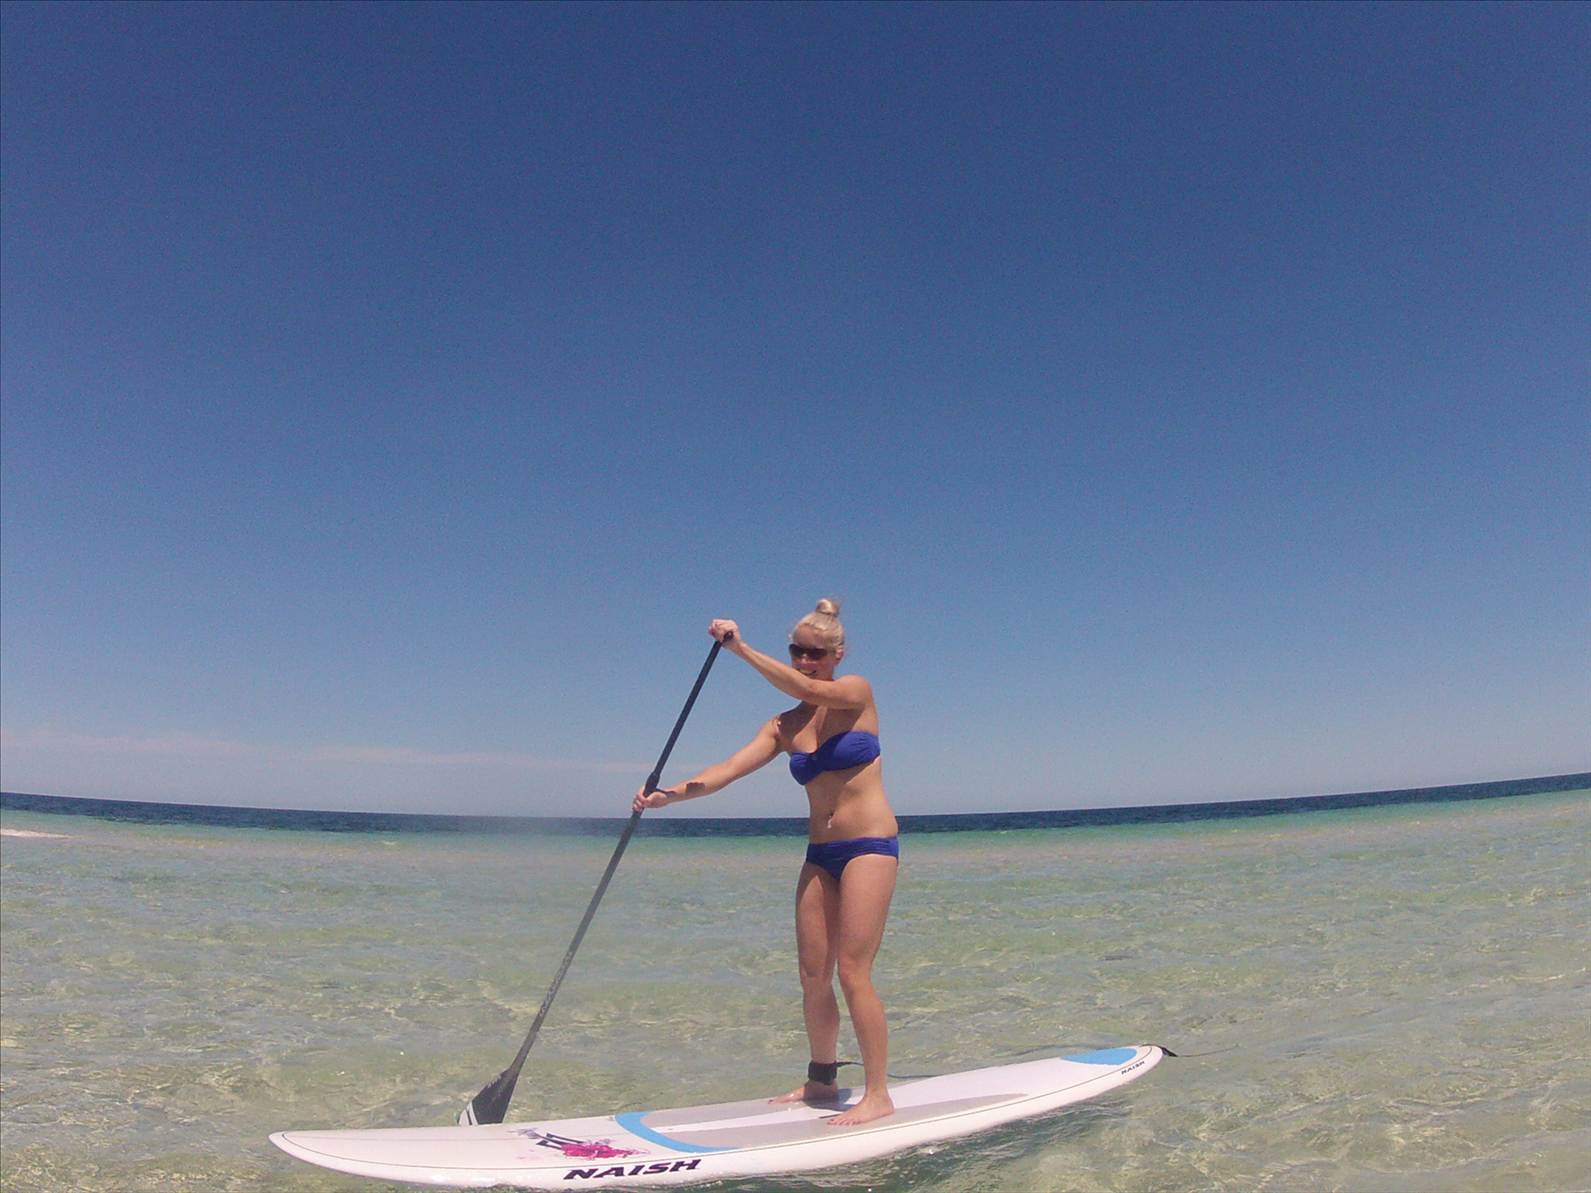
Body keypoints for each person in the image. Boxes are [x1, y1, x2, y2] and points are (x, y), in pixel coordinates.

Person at [633, 598, 899, 1127]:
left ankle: (878, 1094)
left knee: (853, 973)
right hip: (820, 853)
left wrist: (741, 649)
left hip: (869, 846)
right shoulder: (783, 726)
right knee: (812, 975)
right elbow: (729, 769)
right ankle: (822, 1079)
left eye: (815, 653)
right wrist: (669, 796)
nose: (805, 661)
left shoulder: (855, 694)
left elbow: (808, 689)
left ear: (837, 655)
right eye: (797, 651)